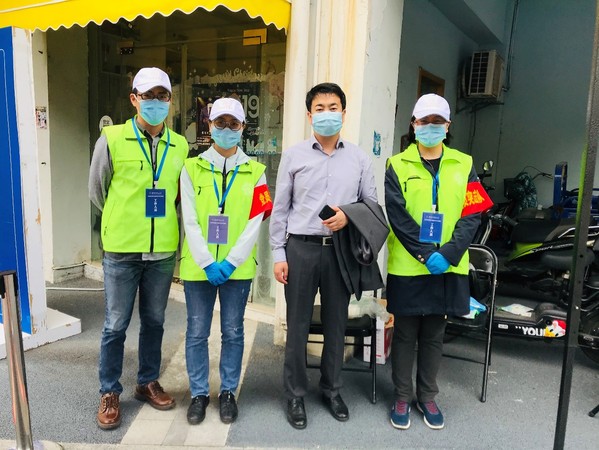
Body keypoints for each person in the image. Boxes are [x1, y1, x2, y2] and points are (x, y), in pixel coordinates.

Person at [270, 82, 378, 429]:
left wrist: (348, 216)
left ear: (344, 113)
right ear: (309, 115)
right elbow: (280, 209)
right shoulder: (294, 156)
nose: (327, 113)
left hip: (340, 251)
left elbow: (372, 205)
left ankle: (331, 389)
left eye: (333, 107)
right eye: (320, 108)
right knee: (298, 326)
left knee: (336, 324)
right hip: (300, 249)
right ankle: (295, 394)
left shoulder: (359, 158)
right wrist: (278, 253)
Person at [89, 67, 189, 430]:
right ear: (134, 99)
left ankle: (147, 381)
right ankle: (109, 391)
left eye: (162, 96)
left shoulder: (180, 145)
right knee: (115, 325)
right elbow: (97, 191)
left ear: (170, 101)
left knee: (155, 321)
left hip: (161, 251)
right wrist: (121, 219)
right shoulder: (112, 138)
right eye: (148, 96)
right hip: (121, 250)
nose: (156, 102)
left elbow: (178, 196)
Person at [385, 93, 488, 431]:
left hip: (449, 266)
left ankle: (427, 396)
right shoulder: (396, 164)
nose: (430, 126)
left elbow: (473, 213)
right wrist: (426, 253)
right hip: (408, 265)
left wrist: (449, 253)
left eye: (437, 121)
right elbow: (398, 216)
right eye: (424, 121)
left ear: (447, 126)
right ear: (413, 124)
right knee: (404, 334)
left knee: (433, 334)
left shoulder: (465, 164)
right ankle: (402, 396)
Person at [179, 97, 273, 425]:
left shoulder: (257, 173)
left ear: (243, 128)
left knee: (233, 332)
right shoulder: (191, 168)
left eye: (233, 124)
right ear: (209, 125)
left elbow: (256, 221)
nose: (226, 129)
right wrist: (207, 262)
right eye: (220, 122)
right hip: (198, 267)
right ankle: (199, 393)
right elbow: (189, 220)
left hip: (238, 269)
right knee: (197, 332)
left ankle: (228, 392)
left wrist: (231, 261)